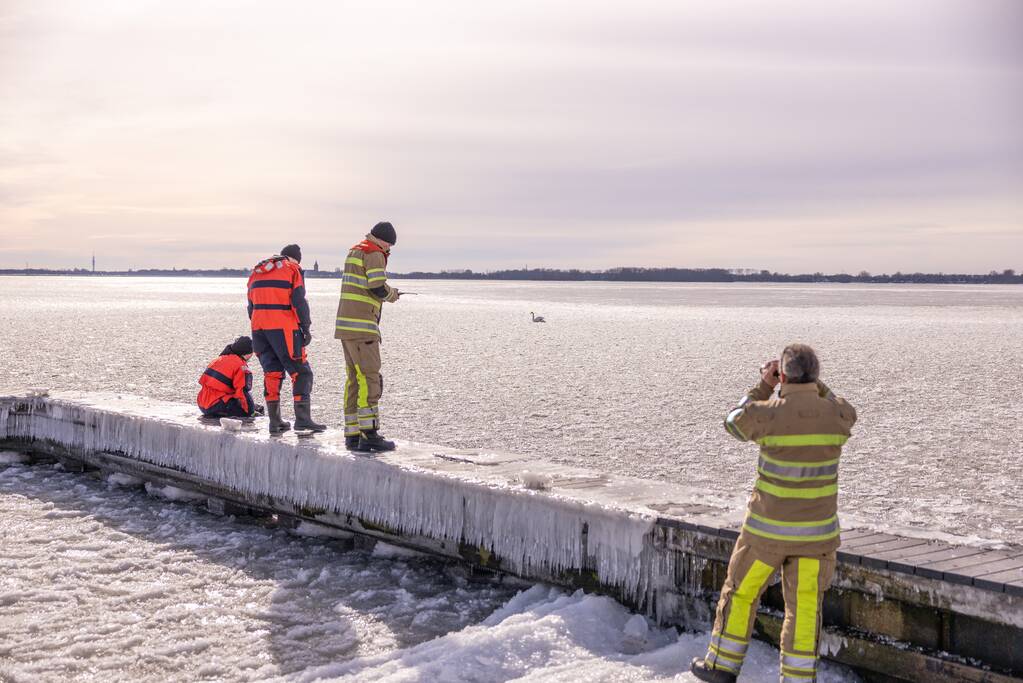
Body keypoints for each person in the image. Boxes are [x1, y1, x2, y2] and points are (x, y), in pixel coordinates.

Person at [690, 344, 857, 683]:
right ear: (816, 375)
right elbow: (846, 410)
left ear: (784, 375)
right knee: (804, 608)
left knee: (741, 593)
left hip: (766, 536)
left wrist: (765, 386)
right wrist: (814, 387)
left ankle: (721, 667)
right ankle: (797, 678)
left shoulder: (768, 413)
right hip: (816, 538)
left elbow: (733, 422)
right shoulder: (836, 415)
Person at [335, 221, 401, 451]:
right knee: (370, 378)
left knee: (354, 380)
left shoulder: (355, 251)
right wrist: (392, 295)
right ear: (382, 240)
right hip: (363, 327)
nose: (389, 249)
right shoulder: (374, 253)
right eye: (389, 244)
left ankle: (352, 434)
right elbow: (377, 287)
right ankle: (369, 434)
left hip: (346, 327)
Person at [247, 244, 326, 434]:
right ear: (296, 258)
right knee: (302, 372)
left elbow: (250, 306)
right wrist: (305, 327)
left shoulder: (257, 271)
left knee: (272, 372)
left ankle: (275, 422)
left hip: (259, 329)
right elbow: (299, 301)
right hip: (283, 328)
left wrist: (261, 323)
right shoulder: (292, 269)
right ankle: (303, 420)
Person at [197, 336, 263, 418]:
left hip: (202, 403)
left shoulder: (218, 360)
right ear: (248, 353)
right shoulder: (241, 366)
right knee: (258, 409)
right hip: (216, 406)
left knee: (249, 405)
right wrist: (250, 412)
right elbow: (243, 391)